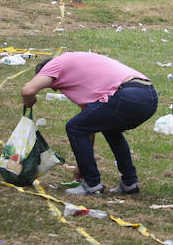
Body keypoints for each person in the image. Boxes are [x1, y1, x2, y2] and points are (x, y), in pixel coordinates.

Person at [20, 53, 158, 196]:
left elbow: (27, 90)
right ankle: (130, 183)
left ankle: (92, 185)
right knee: (110, 129)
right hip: (149, 95)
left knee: (74, 127)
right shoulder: (78, 67)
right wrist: (83, 166)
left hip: (128, 95)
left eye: (50, 85)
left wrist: (29, 101)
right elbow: (89, 127)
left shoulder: (54, 65)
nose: (54, 89)